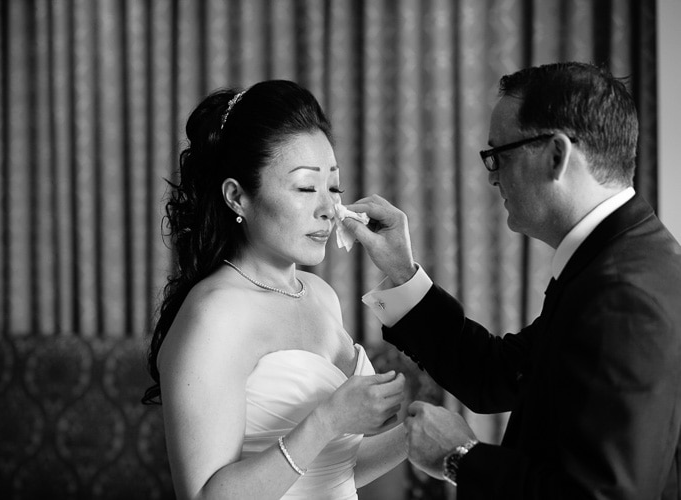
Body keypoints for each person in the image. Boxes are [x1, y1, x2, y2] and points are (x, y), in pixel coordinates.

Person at [341, 62, 681, 499]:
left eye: (499, 154)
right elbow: (499, 375)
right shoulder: (618, 258)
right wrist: (403, 272)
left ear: (557, 155)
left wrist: (460, 457)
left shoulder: (624, 295)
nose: (491, 175)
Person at [141, 80, 407, 500]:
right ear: (237, 197)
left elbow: (331, 472)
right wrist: (328, 420)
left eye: (333, 187)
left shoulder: (320, 295)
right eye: (305, 187)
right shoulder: (215, 314)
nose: (328, 208)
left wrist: (415, 436)